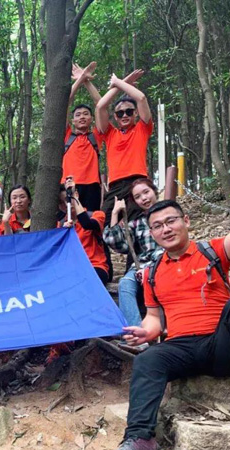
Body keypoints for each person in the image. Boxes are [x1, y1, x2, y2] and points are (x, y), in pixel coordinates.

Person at [102, 175, 230, 450]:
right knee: (149, 359)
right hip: (180, 348)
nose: (165, 229)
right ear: (151, 233)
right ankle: (140, 440)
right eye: (157, 226)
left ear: (186, 221)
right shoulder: (151, 274)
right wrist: (146, 332)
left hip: (221, 346)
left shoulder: (211, 252)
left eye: (171, 221)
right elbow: (155, 319)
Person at [103, 178, 163, 328]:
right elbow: (116, 243)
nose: (144, 198)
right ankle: (134, 334)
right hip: (142, 265)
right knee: (125, 283)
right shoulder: (137, 222)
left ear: (154, 191)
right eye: (138, 197)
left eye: (146, 192)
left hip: (164, 263)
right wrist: (115, 213)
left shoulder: (168, 214)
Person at [95, 70, 152, 223]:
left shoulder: (142, 128)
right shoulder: (110, 133)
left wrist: (118, 82)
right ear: (115, 117)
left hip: (137, 182)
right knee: (103, 223)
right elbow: (100, 106)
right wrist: (121, 83)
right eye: (120, 113)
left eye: (129, 112)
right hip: (115, 186)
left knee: (139, 223)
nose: (124, 115)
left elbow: (141, 98)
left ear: (136, 114)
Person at [63, 62, 103, 212]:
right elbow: (66, 102)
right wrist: (80, 79)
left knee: (91, 222)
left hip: (92, 186)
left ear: (91, 118)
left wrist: (86, 80)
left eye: (86, 114)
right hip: (69, 184)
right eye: (78, 115)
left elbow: (100, 103)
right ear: (73, 120)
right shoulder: (67, 135)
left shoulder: (95, 136)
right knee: (70, 223)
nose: (82, 117)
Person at [60, 179, 109, 284]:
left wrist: (73, 196)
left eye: (68, 199)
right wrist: (62, 233)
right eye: (64, 201)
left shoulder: (97, 215)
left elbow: (87, 224)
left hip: (95, 266)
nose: (68, 203)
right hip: (72, 269)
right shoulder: (60, 225)